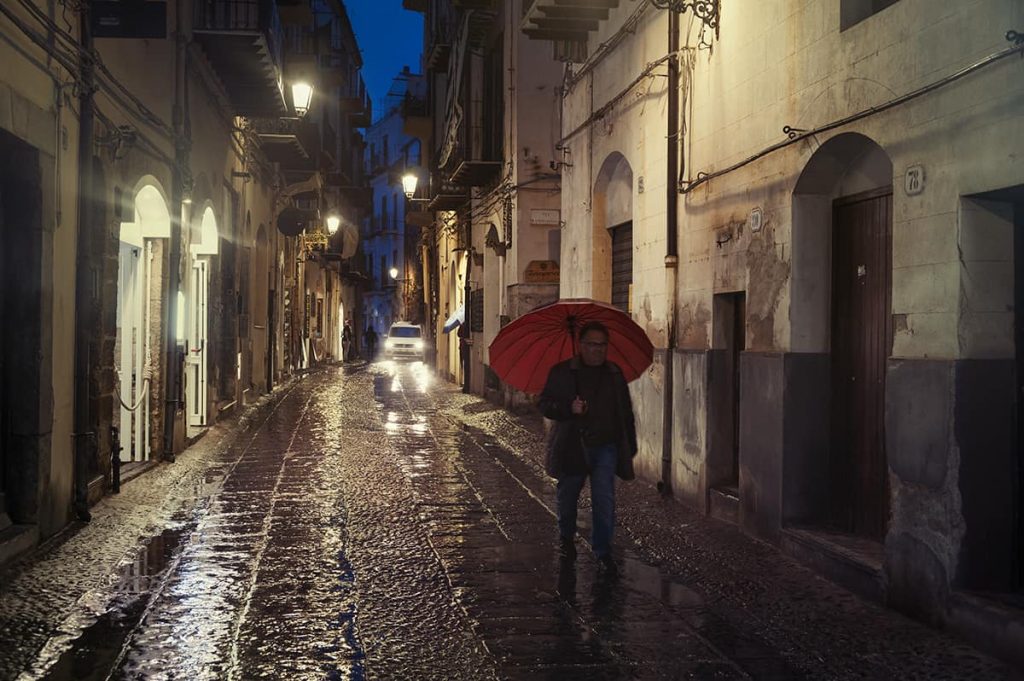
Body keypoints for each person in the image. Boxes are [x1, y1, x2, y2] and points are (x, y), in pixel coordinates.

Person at [538, 321, 637, 575]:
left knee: (604, 498)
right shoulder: (563, 372)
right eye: (592, 344)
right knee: (568, 495)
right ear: (581, 345)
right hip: (573, 445)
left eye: (602, 345)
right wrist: (568, 408)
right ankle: (566, 536)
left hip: (605, 446)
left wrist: (629, 446)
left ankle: (603, 551)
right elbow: (545, 404)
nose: (597, 350)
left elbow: (625, 412)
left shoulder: (614, 373)